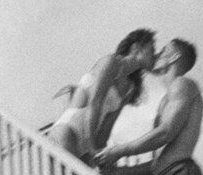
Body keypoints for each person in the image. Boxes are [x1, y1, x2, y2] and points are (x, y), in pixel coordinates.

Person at [94, 38, 203, 175]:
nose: (156, 55)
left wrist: (120, 150)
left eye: (163, 51)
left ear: (174, 57)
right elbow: (158, 163)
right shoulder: (169, 96)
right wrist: (122, 171)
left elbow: (166, 131)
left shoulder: (183, 84)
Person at [46, 28, 157, 165]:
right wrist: (92, 146)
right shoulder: (111, 62)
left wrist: (100, 151)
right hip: (68, 130)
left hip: (87, 144)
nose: (154, 54)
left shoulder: (129, 88)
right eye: (151, 49)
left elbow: (107, 126)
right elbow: (95, 102)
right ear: (136, 48)